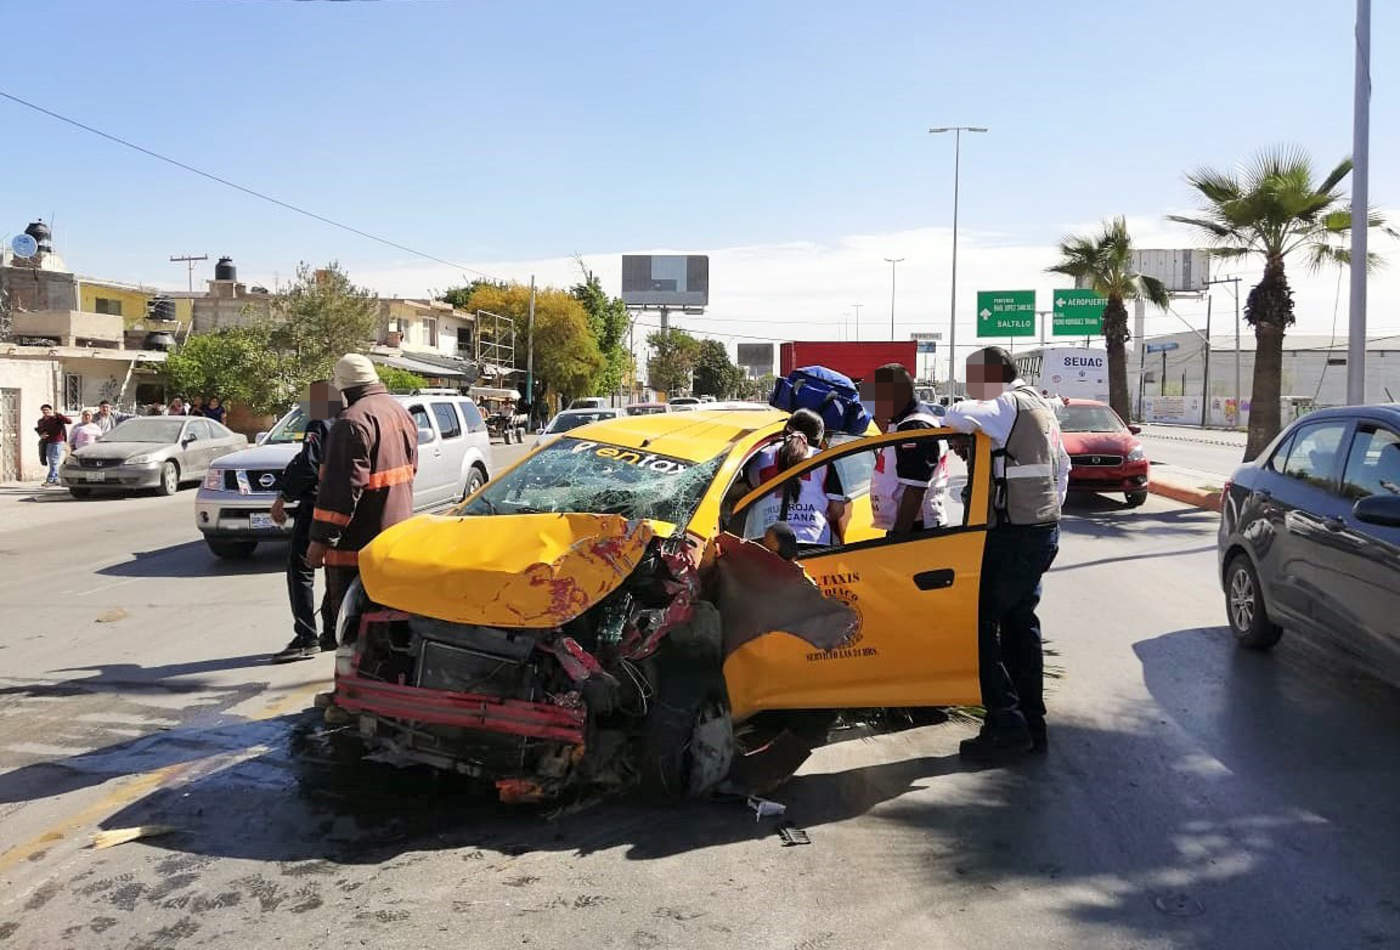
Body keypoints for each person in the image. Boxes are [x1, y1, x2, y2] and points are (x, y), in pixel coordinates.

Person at [943, 346, 1071, 762]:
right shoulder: (1042, 407)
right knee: (1020, 628)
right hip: (1041, 530)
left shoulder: (1006, 405)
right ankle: (1032, 724)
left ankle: (1007, 722)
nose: (970, 389)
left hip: (1014, 536)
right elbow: (1062, 470)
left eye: (974, 380)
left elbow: (955, 415)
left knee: (977, 628)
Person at [306, 354, 419, 642]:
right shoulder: (399, 411)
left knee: (353, 632)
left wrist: (320, 541)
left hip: (356, 551)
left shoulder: (351, 421)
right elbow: (412, 468)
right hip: (396, 540)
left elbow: (341, 490)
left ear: (343, 388)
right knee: (391, 623)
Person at [270, 381, 342, 662]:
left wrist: (284, 496)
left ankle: (306, 636)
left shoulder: (318, 423)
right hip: (343, 505)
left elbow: (308, 464)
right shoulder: (347, 420)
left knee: (300, 569)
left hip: (315, 504)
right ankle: (331, 631)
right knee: (335, 569)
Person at [743, 408, 850, 546]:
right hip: (813, 541)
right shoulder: (822, 459)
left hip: (767, 542)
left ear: (786, 429)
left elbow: (745, 492)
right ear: (817, 439)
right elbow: (837, 510)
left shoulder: (761, 456)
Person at [869, 363, 948, 535]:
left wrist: (898, 537)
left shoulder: (914, 426)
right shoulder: (904, 422)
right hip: (912, 526)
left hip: (915, 529)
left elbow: (915, 489)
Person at [35, 405, 72, 486]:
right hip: (47, 442)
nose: (45, 412)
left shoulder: (56, 419)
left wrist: (59, 415)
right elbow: (40, 430)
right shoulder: (41, 421)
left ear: (50, 410)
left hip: (57, 442)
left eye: (47, 410)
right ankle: (56, 479)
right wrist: (41, 435)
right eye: (44, 410)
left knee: (54, 460)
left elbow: (69, 421)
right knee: (52, 461)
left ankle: (50, 479)